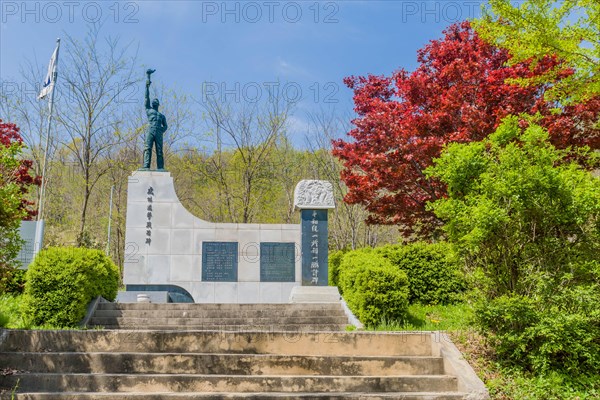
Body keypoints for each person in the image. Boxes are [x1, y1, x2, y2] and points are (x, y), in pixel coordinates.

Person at [142, 69, 168, 170]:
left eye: (156, 101)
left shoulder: (161, 115)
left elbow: (165, 125)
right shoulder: (149, 110)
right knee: (147, 148)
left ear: (158, 104)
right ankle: (146, 166)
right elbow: (146, 97)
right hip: (150, 129)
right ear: (152, 104)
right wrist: (148, 80)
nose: (155, 101)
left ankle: (160, 167)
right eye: (154, 101)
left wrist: (162, 130)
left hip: (158, 131)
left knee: (159, 150)